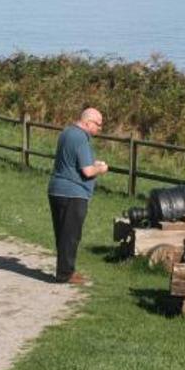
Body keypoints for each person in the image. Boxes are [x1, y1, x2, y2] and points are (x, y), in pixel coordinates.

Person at [47, 107, 109, 285]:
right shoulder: (81, 138)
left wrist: (93, 164)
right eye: (98, 124)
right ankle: (65, 274)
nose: (99, 128)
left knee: (62, 233)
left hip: (56, 189)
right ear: (88, 122)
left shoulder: (66, 133)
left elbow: (73, 162)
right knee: (71, 235)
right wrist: (102, 168)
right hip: (73, 192)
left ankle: (64, 269)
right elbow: (87, 171)